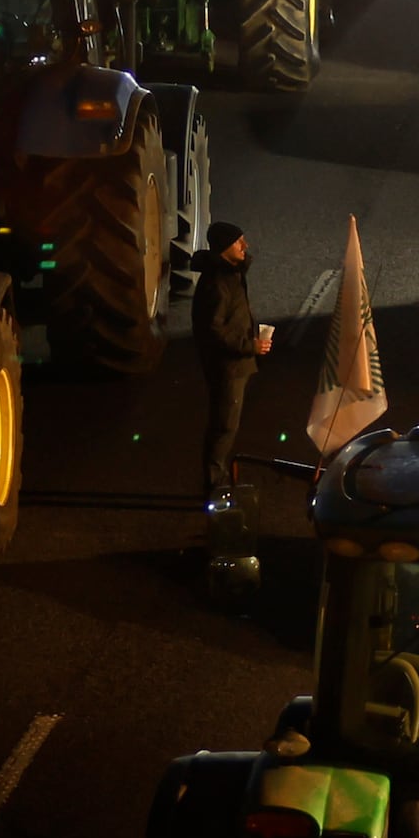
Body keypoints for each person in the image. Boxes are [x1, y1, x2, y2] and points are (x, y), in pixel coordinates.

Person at [192, 221, 271, 595]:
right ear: (225, 246)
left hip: (238, 364)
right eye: (239, 241)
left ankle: (217, 484)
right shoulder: (217, 283)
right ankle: (214, 489)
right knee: (223, 427)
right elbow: (214, 330)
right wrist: (248, 346)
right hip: (229, 367)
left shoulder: (231, 275)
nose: (245, 244)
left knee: (229, 425)